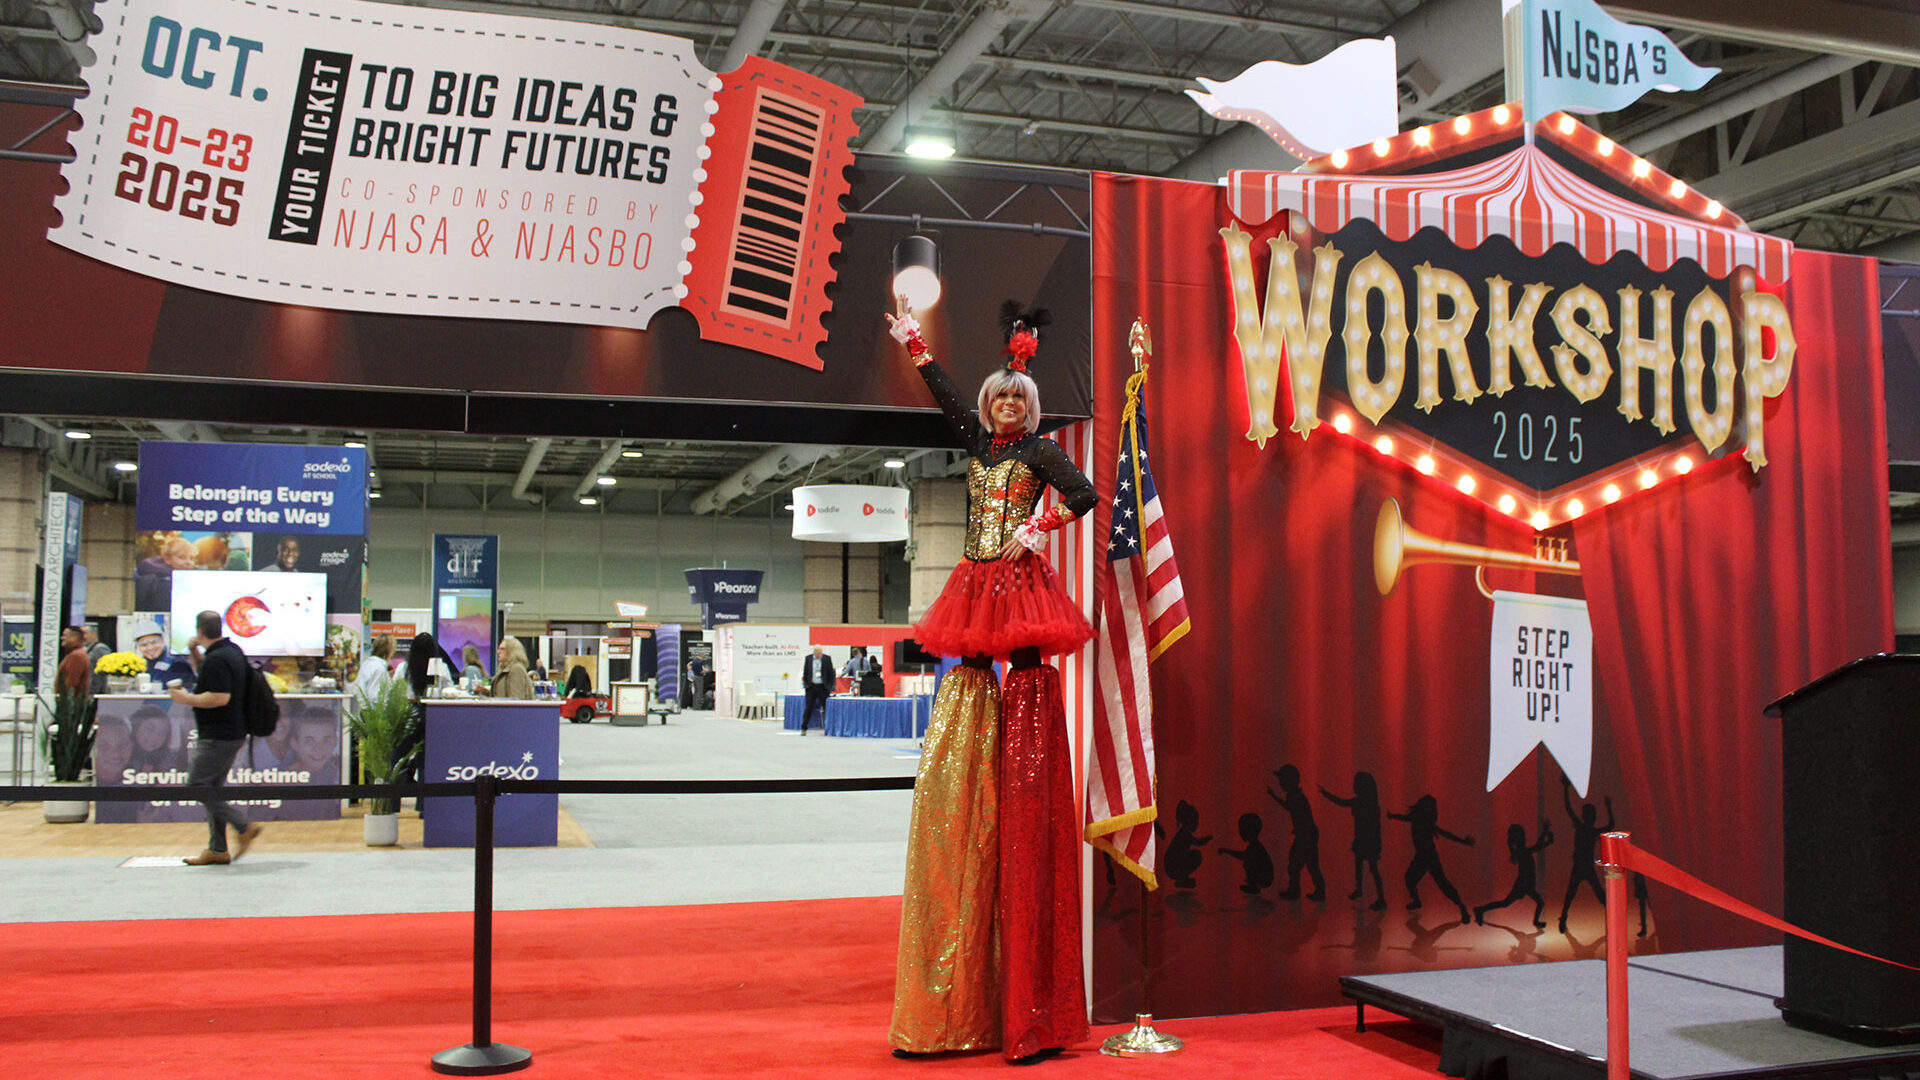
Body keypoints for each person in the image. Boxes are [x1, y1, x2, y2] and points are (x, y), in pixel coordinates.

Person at [884, 298, 1097, 1063]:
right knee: (972, 669)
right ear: (988, 403)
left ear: (1029, 406)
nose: (1007, 404)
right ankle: (973, 753)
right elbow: (943, 395)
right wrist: (915, 343)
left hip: (1018, 582)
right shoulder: (977, 441)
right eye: (999, 396)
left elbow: (1085, 495)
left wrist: (1037, 528)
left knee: (1027, 668)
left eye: (1017, 397)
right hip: (974, 580)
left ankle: (1025, 756)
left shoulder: (1039, 452)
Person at [168, 609, 264, 866]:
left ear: (200, 631)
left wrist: (185, 698)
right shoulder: (231, 652)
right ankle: (218, 849)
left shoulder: (218, 659)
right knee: (212, 789)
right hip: (231, 732)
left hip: (218, 734)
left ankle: (243, 826)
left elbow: (220, 697)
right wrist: (195, 653)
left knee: (197, 786)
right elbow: (209, 677)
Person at [135, 536, 196, 611]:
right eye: (182, 557)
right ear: (167, 559)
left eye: (191, 558)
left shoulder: (189, 578)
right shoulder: (162, 581)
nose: (189, 562)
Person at [132, 617, 192, 688]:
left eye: (153, 642)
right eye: (144, 645)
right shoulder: (139, 666)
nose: (150, 648)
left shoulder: (178, 663)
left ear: (163, 640)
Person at [799, 645, 833, 735]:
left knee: (826, 708)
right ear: (814, 652)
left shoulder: (827, 659)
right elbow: (806, 672)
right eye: (817, 653)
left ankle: (828, 728)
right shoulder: (808, 659)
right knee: (808, 708)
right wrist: (806, 684)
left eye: (820, 653)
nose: (819, 655)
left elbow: (831, 673)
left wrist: (831, 686)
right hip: (811, 687)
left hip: (823, 687)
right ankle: (804, 728)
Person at [57, 626, 90, 695]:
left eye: (65, 635)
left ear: (74, 638)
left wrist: (64, 697)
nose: (62, 638)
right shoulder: (76, 654)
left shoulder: (76, 656)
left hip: (71, 700)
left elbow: (71, 683)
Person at [83, 624, 110, 695]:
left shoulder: (100, 648)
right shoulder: (88, 650)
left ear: (94, 635)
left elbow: (104, 672)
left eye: (85, 633)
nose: (82, 637)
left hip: (97, 693)